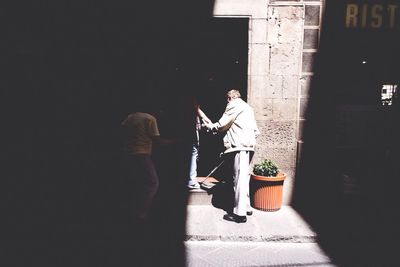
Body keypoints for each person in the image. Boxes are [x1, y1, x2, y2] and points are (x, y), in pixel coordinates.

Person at [203, 89, 260, 223]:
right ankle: (246, 207)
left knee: (238, 180)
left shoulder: (234, 105)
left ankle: (239, 214)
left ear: (229, 98)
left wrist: (211, 127)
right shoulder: (248, 107)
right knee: (244, 178)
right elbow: (256, 131)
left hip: (239, 146)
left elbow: (222, 124)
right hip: (249, 146)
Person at [120, 103, 175, 222]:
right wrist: (175, 142)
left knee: (136, 183)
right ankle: (140, 213)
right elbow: (158, 140)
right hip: (142, 154)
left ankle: (131, 210)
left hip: (128, 154)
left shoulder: (130, 117)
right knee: (152, 182)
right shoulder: (149, 118)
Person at [187, 98, 211, 189]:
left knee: (193, 153)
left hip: (190, 129)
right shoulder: (191, 103)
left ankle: (190, 179)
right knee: (193, 153)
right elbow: (197, 109)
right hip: (190, 130)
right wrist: (208, 121)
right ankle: (191, 180)